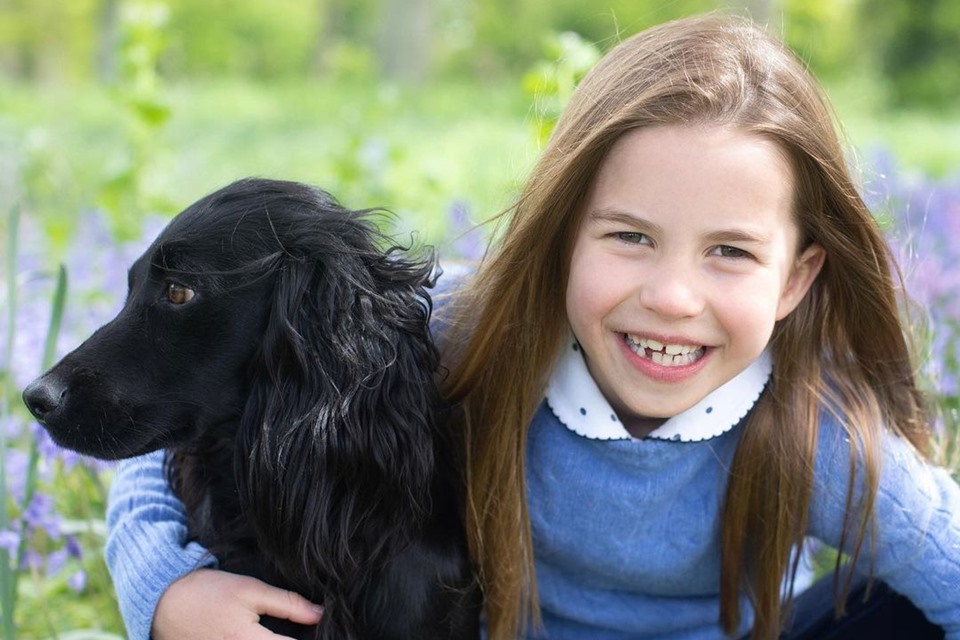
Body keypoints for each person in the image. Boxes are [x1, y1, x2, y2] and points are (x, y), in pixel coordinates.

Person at [104, 13, 960, 640]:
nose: (671, 296)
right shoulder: (471, 331)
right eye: (630, 237)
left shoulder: (816, 437)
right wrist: (166, 593)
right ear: (561, 238)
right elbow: (175, 421)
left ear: (795, 279)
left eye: (729, 253)